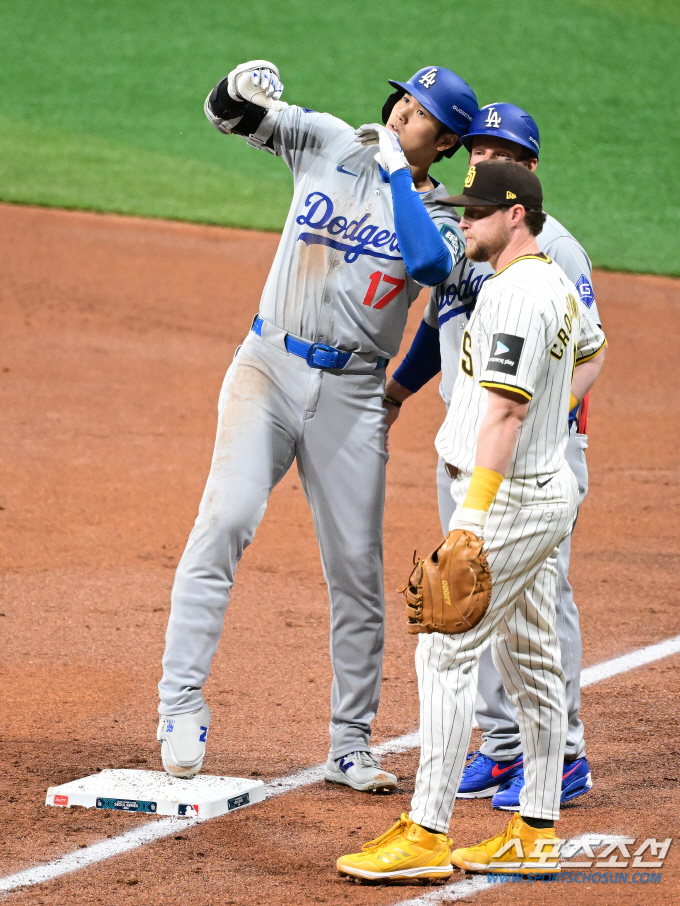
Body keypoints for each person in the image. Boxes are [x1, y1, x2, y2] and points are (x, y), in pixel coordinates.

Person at [156, 61, 479, 793]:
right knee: (224, 522)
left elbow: (428, 266)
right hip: (267, 368)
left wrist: (399, 175)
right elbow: (229, 117)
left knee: (358, 575)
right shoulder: (331, 141)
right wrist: (236, 86)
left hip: (354, 396)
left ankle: (350, 742)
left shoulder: (447, 216)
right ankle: (178, 705)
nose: (403, 111)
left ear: (449, 140)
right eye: (403, 97)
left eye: (422, 111)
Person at [337, 161, 607, 880]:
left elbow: (508, 409)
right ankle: (536, 828)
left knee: (445, 650)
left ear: (515, 215)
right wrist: (552, 435)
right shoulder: (552, 279)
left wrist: (473, 520)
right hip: (545, 489)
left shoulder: (518, 296)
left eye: (478, 212)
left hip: (509, 498)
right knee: (532, 659)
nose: (463, 219)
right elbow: (591, 353)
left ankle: (425, 835)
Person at [383, 103, 607, 808]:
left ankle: (562, 754)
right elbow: (436, 327)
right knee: (474, 596)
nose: (481, 162)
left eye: (500, 153)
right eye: (476, 150)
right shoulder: (468, 237)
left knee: (538, 603)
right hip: (472, 445)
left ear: (529, 172)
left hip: (529, 455)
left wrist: (542, 421)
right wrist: (395, 394)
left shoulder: (554, 249)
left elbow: (592, 350)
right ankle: (505, 747)